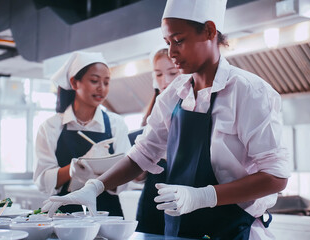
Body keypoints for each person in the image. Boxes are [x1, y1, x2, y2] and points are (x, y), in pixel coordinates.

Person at [42, 0, 290, 239]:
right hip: (180, 229)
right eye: (167, 42)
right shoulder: (173, 95)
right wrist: (94, 187)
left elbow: (276, 177)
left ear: (209, 31)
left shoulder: (249, 92)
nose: (171, 52)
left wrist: (202, 197)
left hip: (233, 230)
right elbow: (143, 154)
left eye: (179, 40)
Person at [34, 51, 131, 216]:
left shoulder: (116, 124)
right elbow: (43, 181)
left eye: (106, 82)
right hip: (63, 215)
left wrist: (100, 171)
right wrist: (74, 168)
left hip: (107, 214)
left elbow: (125, 177)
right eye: (94, 81)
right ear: (74, 82)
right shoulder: (50, 127)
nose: (101, 88)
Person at [135, 46, 181, 235]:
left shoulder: (195, 105)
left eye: (172, 72)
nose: (166, 80)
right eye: (159, 74)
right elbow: (139, 172)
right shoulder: (152, 114)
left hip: (184, 192)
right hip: (153, 192)